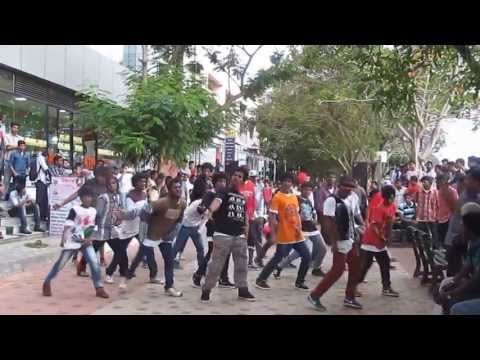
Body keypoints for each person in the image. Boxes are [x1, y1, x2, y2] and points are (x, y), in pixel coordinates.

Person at [42, 186, 109, 298]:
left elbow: (95, 227)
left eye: (90, 197)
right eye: (86, 197)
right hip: (72, 240)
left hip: (86, 241)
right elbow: (68, 224)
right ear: (81, 198)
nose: (89, 199)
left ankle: (99, 288)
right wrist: (63, 238)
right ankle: (47, 282)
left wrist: (90, 238)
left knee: (94, 263)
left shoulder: (94, 211)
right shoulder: (75, 209)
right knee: (60, 264)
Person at [307, 175, 362, 312]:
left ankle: (349, 296)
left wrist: (362, 225)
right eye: (346, 186)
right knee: (337, 270)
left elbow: (356, 215)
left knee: (356, 267)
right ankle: (315, 295)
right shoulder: (331, 201)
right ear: (339, 185)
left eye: (351, 187)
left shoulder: (353, 197)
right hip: (340, 239)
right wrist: (334, 243)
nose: (349, 190)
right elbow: (328, 223)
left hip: (351, 238)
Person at [124, 178, 186, 297]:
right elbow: (145, 212)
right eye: (175, 187)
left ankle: (169, 286)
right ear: (169, 189)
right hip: (151, 235)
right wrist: (143, 231)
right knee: (138, 258)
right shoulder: (161, 202)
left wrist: (173, 232)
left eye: (179, 187)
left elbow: (179, 219)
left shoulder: (182, 203)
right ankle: (126, 279)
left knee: (169, 261)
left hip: (165, 237)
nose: (178, 189)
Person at [201, 167, 256, 302]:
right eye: (235, 175)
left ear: (243, 180)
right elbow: (217, 202)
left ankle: (242, 289)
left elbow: (245, 217)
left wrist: (246, 233)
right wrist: (210, 210)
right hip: (223, 234)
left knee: (242, 264)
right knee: (216, 265)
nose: (236, 177)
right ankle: (206, 289)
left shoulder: (242, 197)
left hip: (239, 236)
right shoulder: (223, 191)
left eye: (240, 176)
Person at [255, 173, 311, 291]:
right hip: (284, 234)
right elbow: (272, 216)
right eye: (285, 181)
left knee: (307, 256)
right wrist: (274, 234)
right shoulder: (277, 197)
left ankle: (300, 281)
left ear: (292, 183)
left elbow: (297, 214)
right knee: (278, 257)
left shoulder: (294, 197)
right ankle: (261, 279)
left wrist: (299, 228)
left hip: (296, 234)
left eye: (289, 181)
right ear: (281, 183)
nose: (287, 183)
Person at [274, 182, 328, 278]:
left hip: (312, 227)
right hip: (301, 228)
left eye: (309, 190)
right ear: (301, 189)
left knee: (322, 248)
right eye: (306, 189)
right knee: (300, 252)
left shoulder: (308, 201)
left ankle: (316, 268)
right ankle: (280, 266)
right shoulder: (296, 199)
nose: (307, 192)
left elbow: (313, 211)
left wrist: (315, 219)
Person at [192, 172, 234, 288]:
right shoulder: (210, 194)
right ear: (215, 183)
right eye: (219, 181)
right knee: (212, 252)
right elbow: (202, 207)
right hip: (212, 228)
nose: (222, 183)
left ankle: (223, 278)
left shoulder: (227, 195)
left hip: (225, 228)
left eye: (224, 181)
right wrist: (204, 209)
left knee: (227, 251)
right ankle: (198, 274)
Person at [437, 202, 480, 314]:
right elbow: (466, 268)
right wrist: (453, 282)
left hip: (476, 287)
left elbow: (475, 280)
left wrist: (453, 293)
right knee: (446, 286)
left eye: (463, 226)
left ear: (471, 229)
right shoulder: (472, 243)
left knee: (457, 308)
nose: (460, 229)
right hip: (474, 285)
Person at [358, 185, 400, 297]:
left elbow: (390, 222)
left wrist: (387, 237)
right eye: (389, 197)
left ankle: (386, 287)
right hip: (372, 240)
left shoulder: (392, 206)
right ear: (385, 197)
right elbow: (374, 226)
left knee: (379, 263)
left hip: (381, 240)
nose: (391, 199)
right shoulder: (379, 208)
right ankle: (354, 287)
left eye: (392, 197)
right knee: (371, 264)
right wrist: (382, 237)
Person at [444, 167, 480, 276]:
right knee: (456, 272)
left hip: (463, 240)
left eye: (468, 179)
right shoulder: (468, 196)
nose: (465, 181)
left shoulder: (472, 195)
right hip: (458, 240)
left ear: (476, 181)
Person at [115, 172, 149, 278]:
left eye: (144, 181)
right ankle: (112, 271)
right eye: (140, 181)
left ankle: (151, 272)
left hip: (139, 225)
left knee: (146, 247)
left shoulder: (144, 194)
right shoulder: (130, 196)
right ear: (135, 182)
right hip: (129, 226)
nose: (143, 183)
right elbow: (130, 212)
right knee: (121, 250)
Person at [240, 169, 259, 269]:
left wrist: (253, 214)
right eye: (252, 177)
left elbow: (255, 201)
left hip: (250, 215)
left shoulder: (253, 186)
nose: (253, 179)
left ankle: (250, 261)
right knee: (241, 238)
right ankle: (241, 261)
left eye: (254, 177)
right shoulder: (238, 185)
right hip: (239, 216)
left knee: (252, 238)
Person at [415, 176, 439, 247]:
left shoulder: (435, 192)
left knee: (434, 233)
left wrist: (437, 216)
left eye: (425, 182)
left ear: (430, 183)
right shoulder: (419, 192)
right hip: (421, 217)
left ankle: (435, 247)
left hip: (432, 217)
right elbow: (416, 202)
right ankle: (424, 246)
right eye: (423, 182)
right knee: (422, 233)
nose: (423, 184)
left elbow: (438, 205)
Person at [436, 174, 459, 246]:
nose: (438, 183)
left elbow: (454, 206)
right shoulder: (440, 190)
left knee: (447, 241)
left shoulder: (451, 191)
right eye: (437, 181)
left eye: (439, 181)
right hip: (441, 218)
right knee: (442, 240)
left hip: (448, 218)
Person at [3, 122, 24, 195]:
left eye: (17, 128)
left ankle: (17, 199)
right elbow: (7, 147)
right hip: (8, 161)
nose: (16, 129)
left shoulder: (21, 138)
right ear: (11, 128)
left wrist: (18, 147)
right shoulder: (6, 136)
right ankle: (4, 197)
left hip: (18, 163)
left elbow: (22, 149)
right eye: (14, 127)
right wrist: (18, 146)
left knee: (18, 182)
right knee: (6, 181)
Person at [35, 149, 50, 222]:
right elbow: (45, 168)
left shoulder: (41, 158)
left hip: (43, 182)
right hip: (40, 181)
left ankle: (43, 216)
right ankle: (39, 217)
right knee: (40, 200)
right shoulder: (40, 158)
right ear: (46, 155)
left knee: (44, 200)